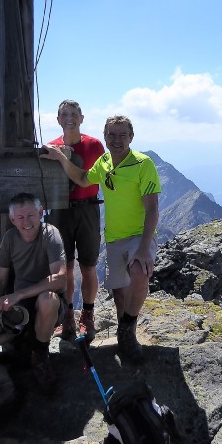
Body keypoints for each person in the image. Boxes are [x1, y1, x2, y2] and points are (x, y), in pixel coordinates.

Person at [43, 115, 160, 363]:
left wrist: (144, 248)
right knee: (120, 296)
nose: (117, 140)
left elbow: (152, 209)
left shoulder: (143, 163)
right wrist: (62, 158)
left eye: (122, 135)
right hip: (114, 237)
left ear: (131, 137)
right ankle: (125, 336)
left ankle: (127, 332)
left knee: (140, 270)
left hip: (138, 235)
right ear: (105, 137)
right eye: (112, 135)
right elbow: (83, 178)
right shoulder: (104, 162)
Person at [0, 193, 67, 389]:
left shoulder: (50, 234)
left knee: (48, 299)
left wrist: (20, 294)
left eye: (31, 215)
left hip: (46, 305)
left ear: (40, 213)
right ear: (12, 219)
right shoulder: (10, 238)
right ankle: (20, 333)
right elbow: (1, 278)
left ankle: (40, 356)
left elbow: (60, 279)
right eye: (20, 217)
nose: (26, 222)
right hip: (19, 307)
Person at [45, 100, 105, 341]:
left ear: (81, 118)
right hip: (60, 211)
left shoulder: (94, 145)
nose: (69, 118)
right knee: (66, 267)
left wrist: (61, 157)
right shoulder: (50, 147)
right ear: (58, 120)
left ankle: (87, 316)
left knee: (88, 266)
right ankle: (67, 316)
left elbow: (87, 179)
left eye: (73, 114)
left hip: (87, 208)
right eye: (64, 114)